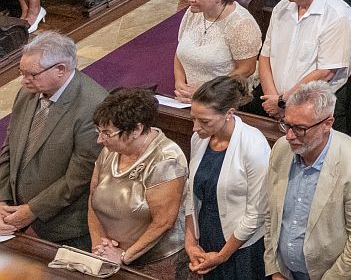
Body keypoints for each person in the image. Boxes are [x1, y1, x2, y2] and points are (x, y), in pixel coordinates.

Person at [262, 81, 351, 280]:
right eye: (287, 125)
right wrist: (275, 268)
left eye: (300, 128)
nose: (289, 136)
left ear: (327, 124)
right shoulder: (281, 149)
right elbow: (271, 213)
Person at [0, 32, 107, 246]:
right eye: (21, 72)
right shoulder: (27, 93)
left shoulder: (94, 107)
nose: (23, 80)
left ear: (60, 69)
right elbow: (9, 149)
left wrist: (32, 210)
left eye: (32, 74)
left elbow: (78, 177)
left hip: (65, 227)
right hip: (14, 214)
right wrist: (2, 199)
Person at [83, 87, 187, 273]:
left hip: (156, 261)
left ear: (137, 129)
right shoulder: (109, 151)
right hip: (110, 253)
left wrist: (124, 256)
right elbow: (93, 200)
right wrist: (99, 246)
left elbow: (163, 222)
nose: (100, 140)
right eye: (99, 131)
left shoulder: (165, 159)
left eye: (107, 133)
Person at [182, 75, 270, 280]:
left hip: (242, 246)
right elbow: (192, 194)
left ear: (229, 113)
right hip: (207, 234)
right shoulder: (199, 139)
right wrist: (190, 242)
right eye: (193, 118)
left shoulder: (253, 145)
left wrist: (222, 255)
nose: (195, 127)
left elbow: (256, 213)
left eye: (204, 121)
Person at [257, 0, 351, 122]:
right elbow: (265, 56)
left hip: (316, 111)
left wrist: (283, 100)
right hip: (274, 104)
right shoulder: (281, 8)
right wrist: (272, 98)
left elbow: (326, 72)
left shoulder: (337, 14)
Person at [173, 0, 261, 101]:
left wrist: (206, 91)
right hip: (191, 96)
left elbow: (246, 69)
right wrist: (179, 83)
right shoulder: (193, 12)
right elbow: (180, 51)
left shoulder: (242, 24)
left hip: (224, 99)